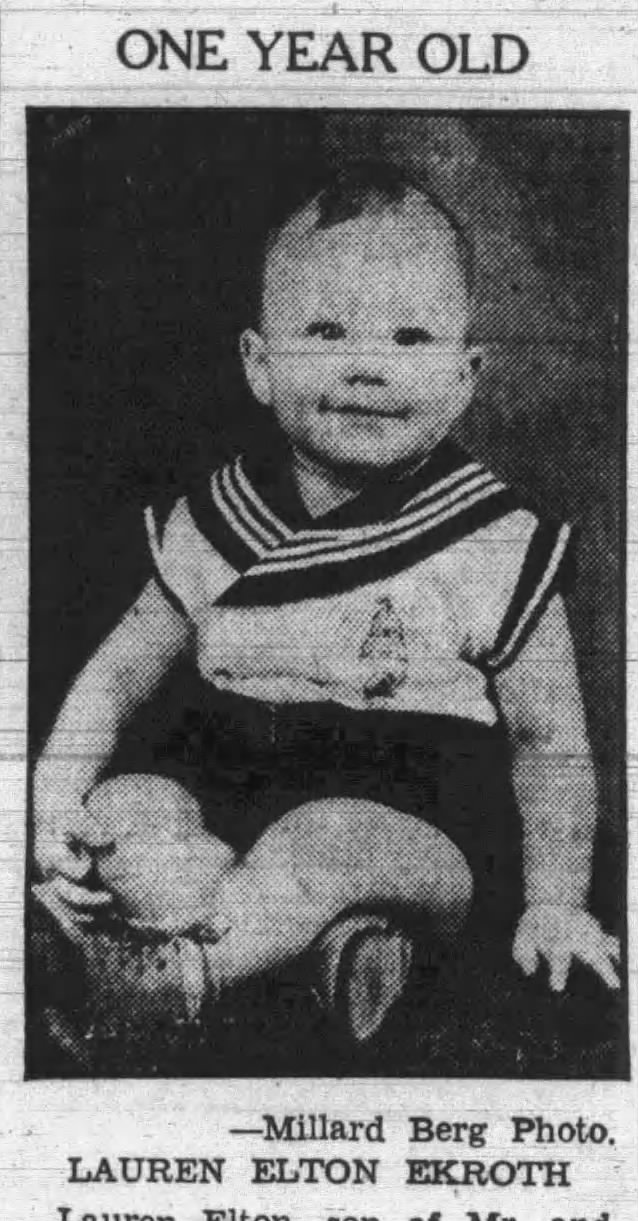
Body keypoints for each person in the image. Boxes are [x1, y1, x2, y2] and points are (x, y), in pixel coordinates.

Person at [32, 160, 620, 1050]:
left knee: (325, 842)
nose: (367, 367)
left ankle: (173, 982)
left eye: (410, 337)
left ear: (465, 377)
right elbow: (116, 677)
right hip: (226, 792)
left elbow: (550, 740)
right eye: (326, 331)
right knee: (126, 811)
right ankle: (325, 958)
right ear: (260, 365)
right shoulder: (218, 519)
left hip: (418, 823)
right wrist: (55, 797)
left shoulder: (496, 539)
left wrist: (557, 903)